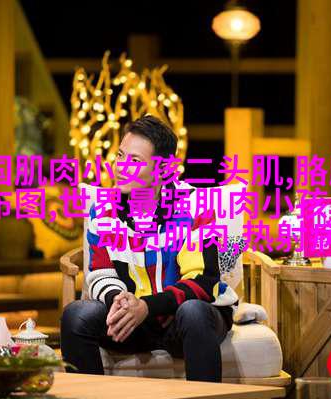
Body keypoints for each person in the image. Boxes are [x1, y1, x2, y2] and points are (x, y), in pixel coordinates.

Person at [60, 115, 237, 382]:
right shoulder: (105, 209)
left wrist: (148, 306)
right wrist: (119, 301)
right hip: (130, 322)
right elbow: (101, 273)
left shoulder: (194, 206)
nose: (121, 167)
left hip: (181, 320)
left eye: (134, 161)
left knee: (194, 312)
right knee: (77, 315)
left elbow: (202, 281)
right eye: (120, 156)